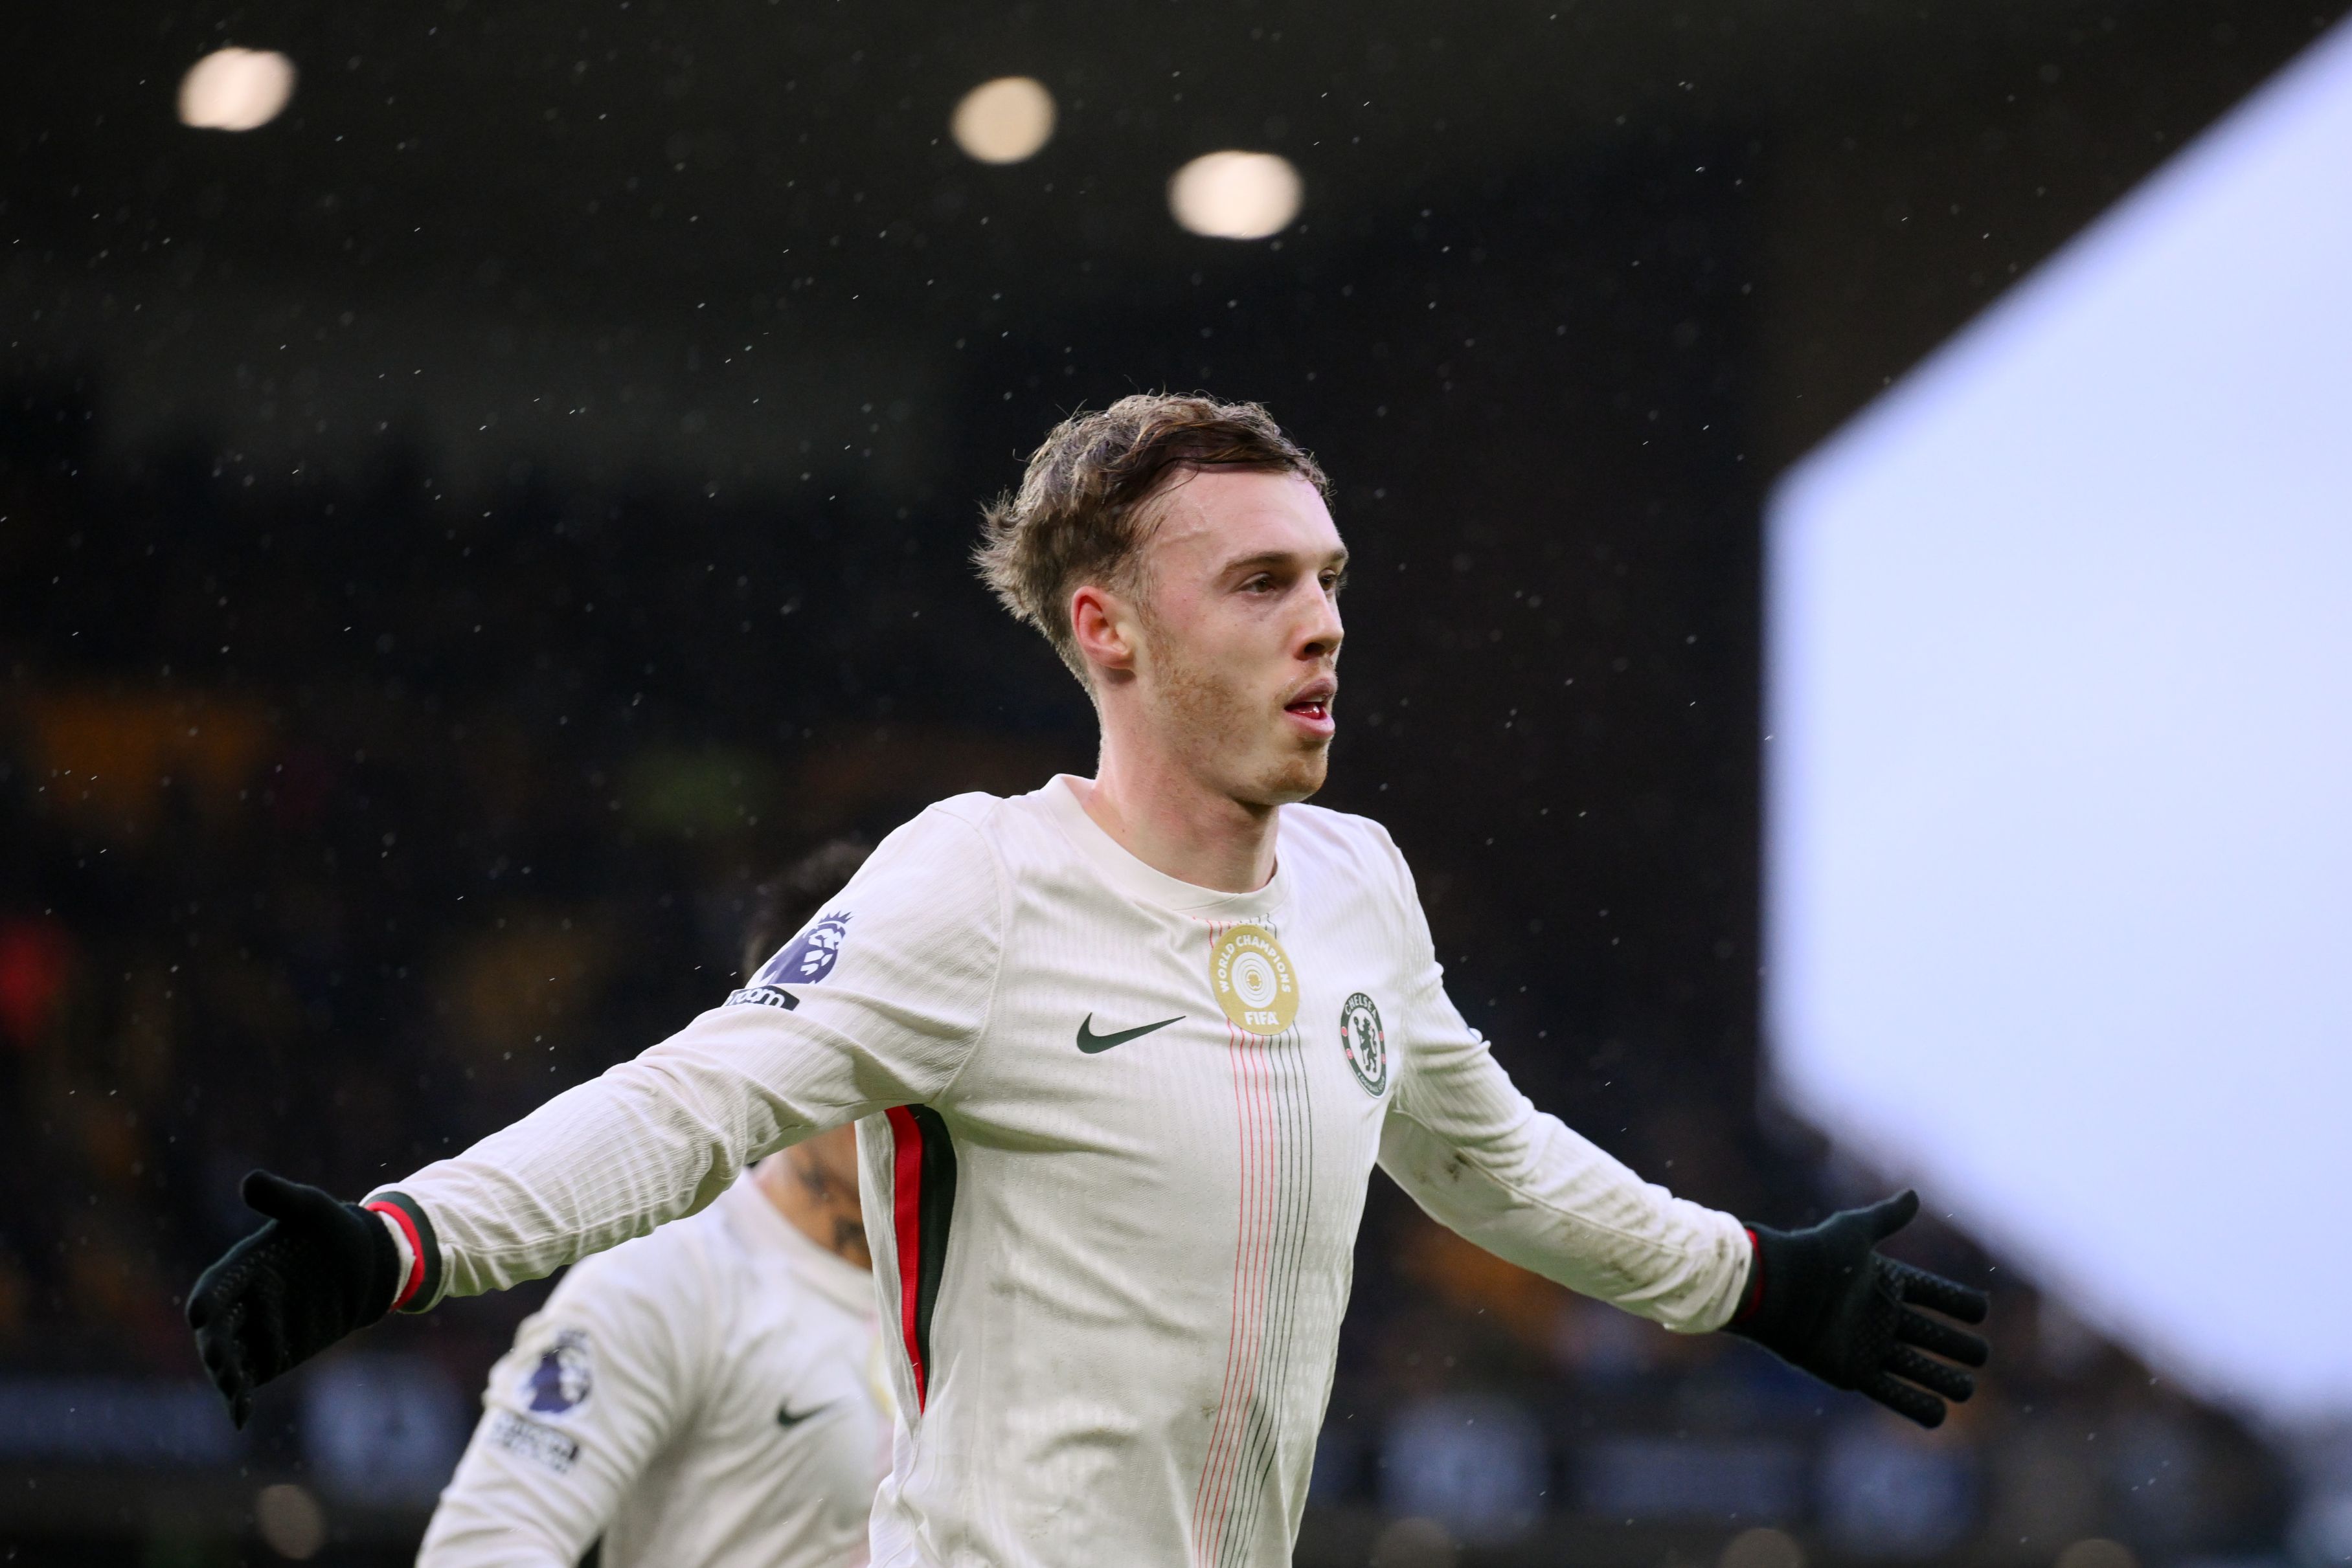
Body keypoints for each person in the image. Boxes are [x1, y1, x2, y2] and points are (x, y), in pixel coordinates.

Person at [189, 394, 1989, 1568]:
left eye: (1333, 578)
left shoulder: (1360, 884)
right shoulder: (978, 881)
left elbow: (1491, 1159)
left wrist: (1747, 1274)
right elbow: (697, 1094)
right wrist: (399, 1236)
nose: (1326, 621)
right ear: (1110, 630)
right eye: (1264, 580)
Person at [416, 840, 887, 1568]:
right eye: (867, 1042)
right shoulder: (669, 1278)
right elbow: (484, 1545)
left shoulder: (998, 1281)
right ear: (786, 1053)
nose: (898, 1078)